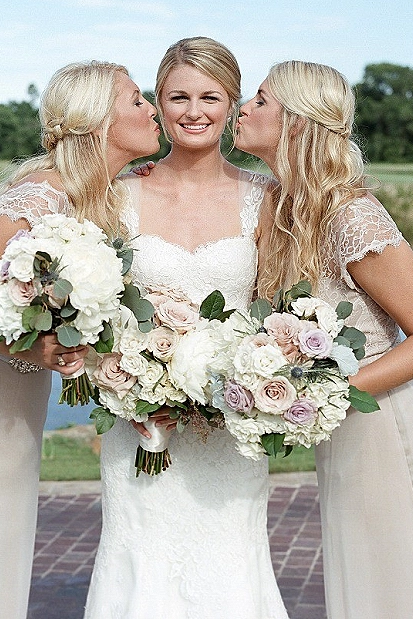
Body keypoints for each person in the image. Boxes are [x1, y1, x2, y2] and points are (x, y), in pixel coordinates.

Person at [0, 60, 160, 619]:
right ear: (98, 120)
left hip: (17, 408)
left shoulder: (96, 198)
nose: (153, 109)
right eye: (138, 100)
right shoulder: (42, 193)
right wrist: (32, 349)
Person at [236, 59, 413, 618]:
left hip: (386, 423)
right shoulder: (281, 208)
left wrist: (324, 397)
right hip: (338, 432)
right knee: (362, 586)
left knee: (404, 588)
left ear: (297, 122)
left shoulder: (352, 216)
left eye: (261, 100)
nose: (243, 109)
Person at [84, 38, 290, 618]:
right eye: (178, 97)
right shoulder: (118, 195)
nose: (193, 112)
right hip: (141, 422)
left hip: (230, 425)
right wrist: (123, 383)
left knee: (231, 565)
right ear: (159, 101)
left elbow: (276, 313)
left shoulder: (265, 198)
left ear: (232, 104)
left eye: (210, 97)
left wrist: (256, 382)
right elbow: (94, 310)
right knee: (140, 561)